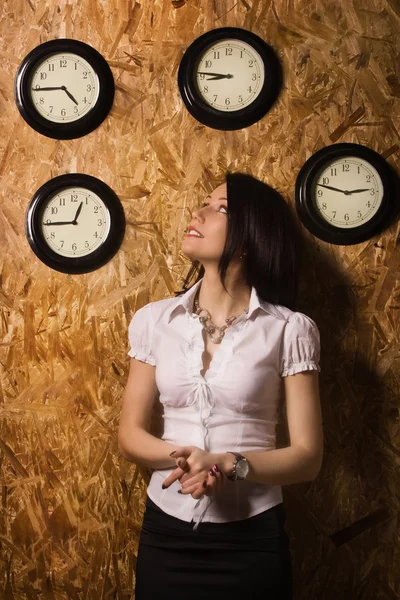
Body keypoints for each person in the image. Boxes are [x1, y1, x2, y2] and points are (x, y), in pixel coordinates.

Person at [118, 172, 323, 600]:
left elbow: (307, 458)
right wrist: (191, 460)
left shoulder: (289, 329)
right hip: (165, 533)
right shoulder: (154, 321)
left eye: (221, 208)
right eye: (205, 202)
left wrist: (226, 463)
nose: (199, 212)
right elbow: (130, 435)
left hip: (253, 540)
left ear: (249, 238)